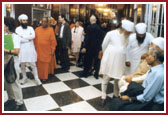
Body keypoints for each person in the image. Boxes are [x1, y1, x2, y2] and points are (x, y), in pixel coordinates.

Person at [116, 38, 164, 111]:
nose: (146, 58)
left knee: (120, 106)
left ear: (154, 57)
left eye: (148, 56)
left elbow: (147, 97)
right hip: (146, 95)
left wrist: (129, 99)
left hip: (154, 103)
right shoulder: (155, 69)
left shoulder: (159, 74)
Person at [99, 19, 134, 106]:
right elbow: (104, 45)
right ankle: (103, 96)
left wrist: (127, 59)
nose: (129, 33)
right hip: (109, 58)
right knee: (106, 77)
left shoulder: (128, 37)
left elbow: (128, 49)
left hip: (120, 59)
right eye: (128, 32)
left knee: (117, 77)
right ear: (124, 29)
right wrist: (106, 54)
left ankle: (116, 94)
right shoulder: (111, 33)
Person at [4, 17, 24, 111]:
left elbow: (16, 51)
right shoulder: (5, 35)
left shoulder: (15, 37)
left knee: (15, 82)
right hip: (5, 61)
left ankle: (19, 102)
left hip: (13, 61)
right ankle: (11, 98)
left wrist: (4, 50)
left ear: (7, 26)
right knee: (7, 82)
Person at [15, 14, 41, 85]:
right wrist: (27, 39)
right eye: (23, 20)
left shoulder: (30, 28)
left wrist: (23, 37)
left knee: (33, 64)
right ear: (20, 21)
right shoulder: (17, 29)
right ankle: (24, 77)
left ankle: (36, 78)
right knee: (22, 65)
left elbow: (33, 36)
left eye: (26, 20)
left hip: (30, 49)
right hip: (22, 50)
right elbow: (18, 39)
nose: (25, 22)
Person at [81, 15, 105, 79]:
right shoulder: (100, 27)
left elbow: (87, 38)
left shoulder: (89, 27)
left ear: (90, 20)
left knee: (88, 60)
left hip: (90, 47)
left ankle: (86, 73)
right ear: (96, 20)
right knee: (97, 61)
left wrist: (84, 47)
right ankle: (96, 74)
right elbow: (102, 38)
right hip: (97, 47)